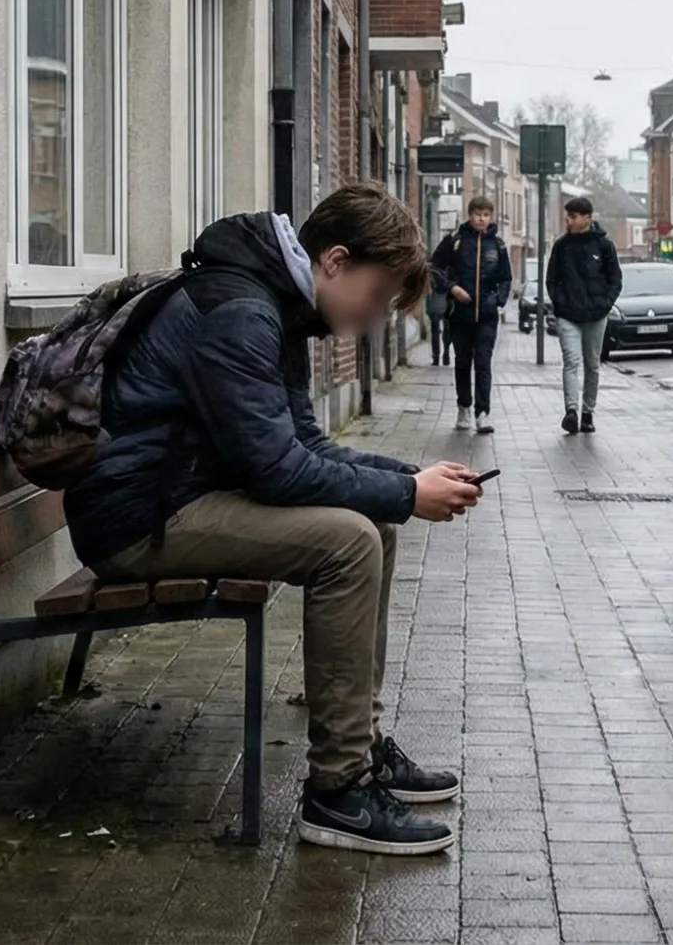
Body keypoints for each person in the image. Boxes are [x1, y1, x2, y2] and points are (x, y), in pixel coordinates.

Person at [64, 183, 485, 855]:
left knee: (372, 525)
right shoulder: (242, 312)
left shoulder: (273, 304)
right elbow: (278, 471)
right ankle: (338, 790)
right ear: (336, 261)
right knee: (350, 540)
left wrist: (406, 478)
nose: (373, 316)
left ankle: (360, 745)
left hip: (174, 499)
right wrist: (409, 493)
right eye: (376, 295)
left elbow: (306, 446)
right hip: (137, 519)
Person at [430, 197, 511, 435]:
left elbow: (506, 278)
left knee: (483, 362)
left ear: (490, 217)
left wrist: (498, 300)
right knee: (463, 361)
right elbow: (434, 268)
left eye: (486, 215)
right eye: (477, 214)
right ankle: (463, 407)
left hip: (487, 315)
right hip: (460, 314)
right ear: (470, 214)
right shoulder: (455, 241)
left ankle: (482, 413)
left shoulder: (497, 245)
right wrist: (452, 288)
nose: (481, 219)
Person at [545, 195, 623, 434]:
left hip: (596, 315)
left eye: (573, 216)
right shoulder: (562, 246)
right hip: (568, 315)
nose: (568, 220)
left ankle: (588, 413)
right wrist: (559, 304)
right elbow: (552, 279)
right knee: (571, 361)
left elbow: (615, 279)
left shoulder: (603, 245)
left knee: (592, 364)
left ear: (587, 218)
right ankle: (571, 411)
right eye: (567, 216)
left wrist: (605, 305)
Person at [423, 281, 452, 367]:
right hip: (447, 307)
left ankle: (436, 358)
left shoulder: (432, 276)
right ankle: (446, 354)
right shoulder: (448, 276)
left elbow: (428, 293)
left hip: (434, 307)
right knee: (447, 332)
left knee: (435, 334)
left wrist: (428, 309)